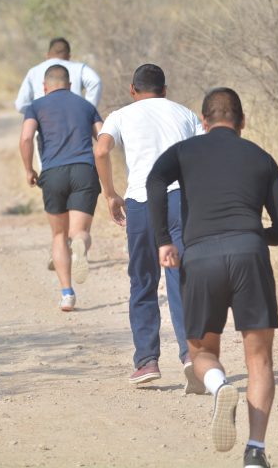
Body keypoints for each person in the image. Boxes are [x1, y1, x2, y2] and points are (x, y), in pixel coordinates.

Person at [146, 88, 278, 468]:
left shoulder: (184, 151)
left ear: (202, 121)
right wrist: (251, 237)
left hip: (201, 258)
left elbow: (153, 182)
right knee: (260, 360)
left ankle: (219, 386)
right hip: (249, 254)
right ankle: (256, 452)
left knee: (202, 352)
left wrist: (164, 240)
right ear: (242, 122)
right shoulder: (262, 158)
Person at [94, 63, 205, 394]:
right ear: (165, 90)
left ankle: (146, 362)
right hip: (178, 200)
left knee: (142, 279)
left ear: (132, 90)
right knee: (179, 276)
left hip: (141, 201)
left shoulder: (121, 115)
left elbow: (101, 150)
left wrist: (110, 194)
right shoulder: (185, 114)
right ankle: (190, 354)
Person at [19, 64, 103, 312]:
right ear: (69, 85)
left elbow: (26, 138)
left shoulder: (36, 106)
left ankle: (67, 294)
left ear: (45, 87)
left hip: (53, 173)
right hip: (84, 171)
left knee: (58, 236)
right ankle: (80, 247)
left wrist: (28, 170)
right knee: (80, 232)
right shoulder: (86, 106)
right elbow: (103, 138)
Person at [15, 37, 102, 113]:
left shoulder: (34, 71)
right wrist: (86, 110)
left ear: (47, 55)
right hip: (75, 122)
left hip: (43, 124)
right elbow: (95, 81)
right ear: (69, 56)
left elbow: (21, 104)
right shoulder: (79, 68)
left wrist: (36, 113)